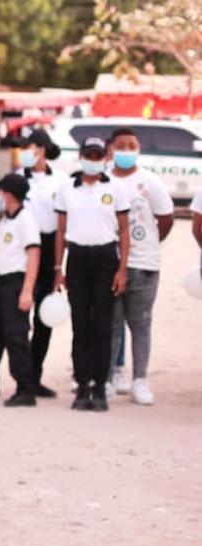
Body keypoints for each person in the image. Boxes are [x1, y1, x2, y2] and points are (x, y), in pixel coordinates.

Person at [0, 129, 62, 399]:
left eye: (30, 146)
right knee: (1, 322)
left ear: (43, 149)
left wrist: (58, 266)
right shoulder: (17, 180)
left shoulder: (61, 181)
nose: (24, 151)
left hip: (42, 248)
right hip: (16, 251)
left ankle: (32, 378)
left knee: (40, 321)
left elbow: (62, 225)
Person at [53, 136, 131, 412]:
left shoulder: (116, 188)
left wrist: (122, 269)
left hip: (105, 257)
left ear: (105, 158)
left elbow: (123, 229)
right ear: (81, 156)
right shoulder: (67, 188)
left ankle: (100, 385)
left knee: (103, 324)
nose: (93, 160)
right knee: (80, 325)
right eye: (89, 155)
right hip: (78, 258)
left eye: (98, 156)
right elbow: (61, 231)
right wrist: (58, 268)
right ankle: (82, 384)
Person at [106, 127, 173, 405]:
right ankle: (110, 377)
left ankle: (140, 380)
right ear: (111, 149)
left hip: (144, 263)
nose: (126, 151)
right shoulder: (104, 179)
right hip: (110, 263)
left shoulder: (150, 182)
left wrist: (149, 244)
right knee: (111, 324)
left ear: (138, 149)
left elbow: (165, 218)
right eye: (120, 146)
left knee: (141, 323)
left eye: (131, 145)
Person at [0, 174, 42, 407]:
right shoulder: (6, 220)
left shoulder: (26, 219)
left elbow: (33, 254)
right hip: (2, 283)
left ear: (9, 194)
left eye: (0, 192)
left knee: (16, 337)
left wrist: (27, 291)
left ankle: (25, 388)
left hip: (17, 283)